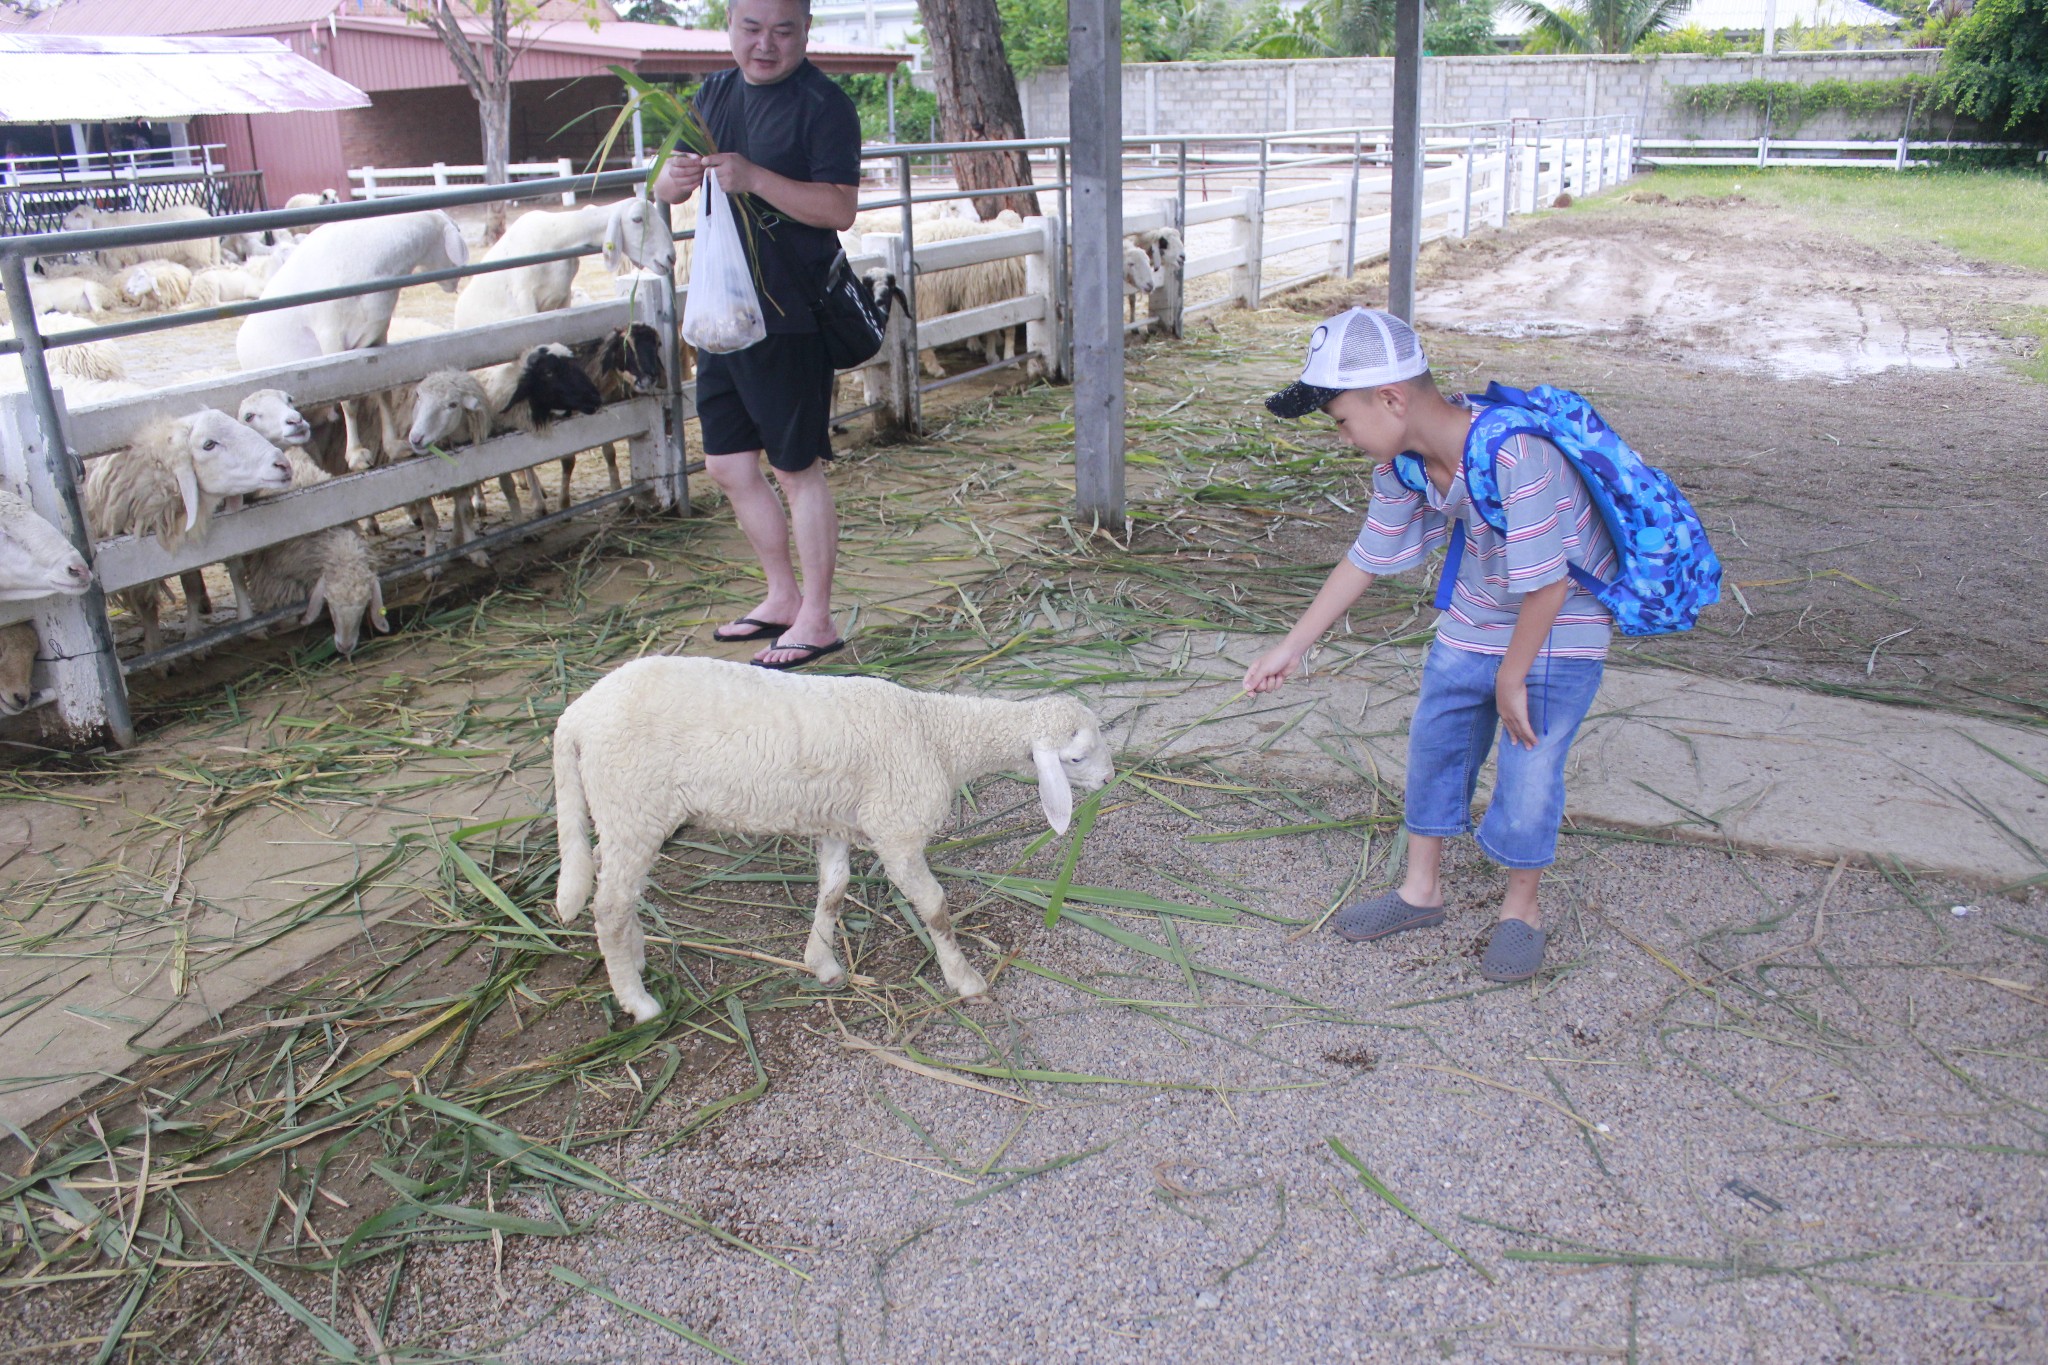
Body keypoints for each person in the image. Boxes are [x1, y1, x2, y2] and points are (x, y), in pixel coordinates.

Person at [1243, 308, 1615, 984]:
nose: (1345, 437)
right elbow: (1366, 555)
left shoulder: (1518, 454)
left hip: (1558, 630)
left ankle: (1521, 910)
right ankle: (1421, 890)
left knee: (1529, 766)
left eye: (1342, 421)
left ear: (1391, 399)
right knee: (1436, 738)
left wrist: (1511, 677)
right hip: (1478, 613)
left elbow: (1551, 588)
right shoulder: (1404, 466)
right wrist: (1292, 646)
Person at [653, 0, 861, 669]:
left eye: (783, 31)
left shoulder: (823, 103)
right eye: (751, 28)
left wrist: (756, 179)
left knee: (796, 468)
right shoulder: (711, 93)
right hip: (722, 311)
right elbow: (664, 185)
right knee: (728, 463)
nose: (765, 45)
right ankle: (781, 596)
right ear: (731, 27)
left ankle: (819, 617)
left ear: (805, 33)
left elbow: (839, 207)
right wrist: (672, 181)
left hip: (790, 311)